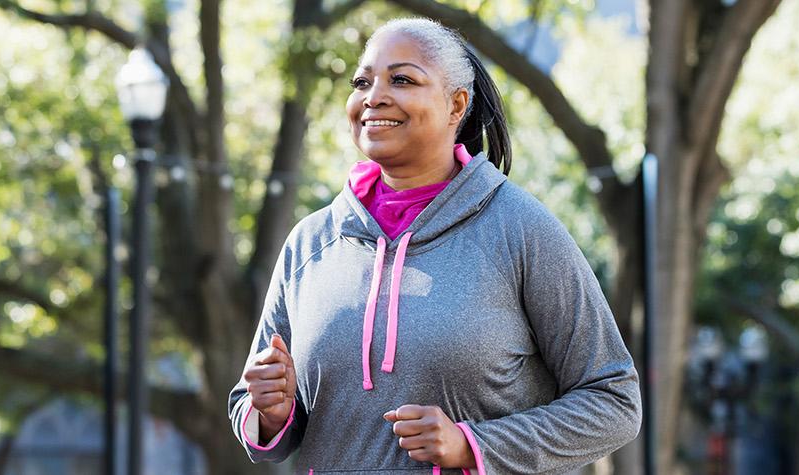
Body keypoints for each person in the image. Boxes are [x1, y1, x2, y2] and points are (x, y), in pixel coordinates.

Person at [226, 17, 642, 474]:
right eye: (362, 81)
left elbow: (614, 401)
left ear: (456, 105)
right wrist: (269, 413)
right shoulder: (312, 242)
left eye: (401, 79)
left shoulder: (519, 228)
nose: (374, 96)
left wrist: (474, 445)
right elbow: (256, 411)